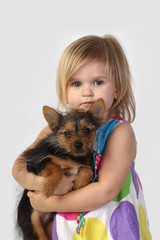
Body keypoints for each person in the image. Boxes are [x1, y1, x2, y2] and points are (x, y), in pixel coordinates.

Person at [12, 34, 152, 239]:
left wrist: (50, 203)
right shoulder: (57, 128)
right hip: (70, 227)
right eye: (76, 84)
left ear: (117, 89)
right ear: (64, 89)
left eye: (97, 82)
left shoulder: (120, 132)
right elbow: (18, 167)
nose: (87, 92)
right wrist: (44, 185)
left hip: (110, 226)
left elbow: (106, 191)